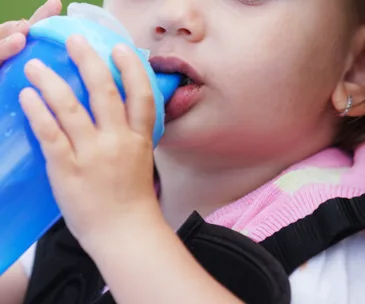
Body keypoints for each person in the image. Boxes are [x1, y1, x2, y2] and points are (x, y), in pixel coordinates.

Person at [1, 0, 365, 302]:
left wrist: (123, 227)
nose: (172, 15)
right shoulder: (73, 189)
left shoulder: (343, 245)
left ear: (356, 70)